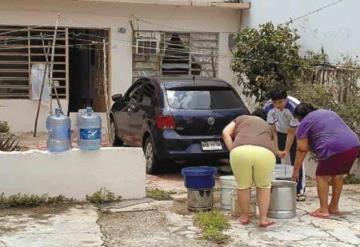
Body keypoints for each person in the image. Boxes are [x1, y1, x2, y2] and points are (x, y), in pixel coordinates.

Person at [292, 103, 360, 219]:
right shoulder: (329, 112)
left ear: (299, 117)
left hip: (332, 147)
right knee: (337, 175)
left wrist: (296, 171)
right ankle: (334, 206)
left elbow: (302, 149)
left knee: (321, 176)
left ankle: (323, 210)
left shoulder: (304, 123)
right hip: (353, 144)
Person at [222, 108, 276, 227]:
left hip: (240, 152)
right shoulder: (268, 126)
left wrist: (233, 150)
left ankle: (244, 217)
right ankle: (263, 219)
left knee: (243, 186)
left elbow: (225, 132)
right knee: (264, 186)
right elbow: (273, 144)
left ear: (250, 115)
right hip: (264, 153)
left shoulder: (241, 118)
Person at [264, 89, 306, 201]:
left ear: (285, 99)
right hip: (279, 131)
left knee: (296, 160)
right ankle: (275, 189)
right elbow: (272, 132)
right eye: (275, 102)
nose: (277, 105)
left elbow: (291, 132)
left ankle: (299, 190)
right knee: (274, 159)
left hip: (296, 132)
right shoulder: (268, 108)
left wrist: (286, 150)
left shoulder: (294, 108)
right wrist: (277, 149)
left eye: (280, 102)